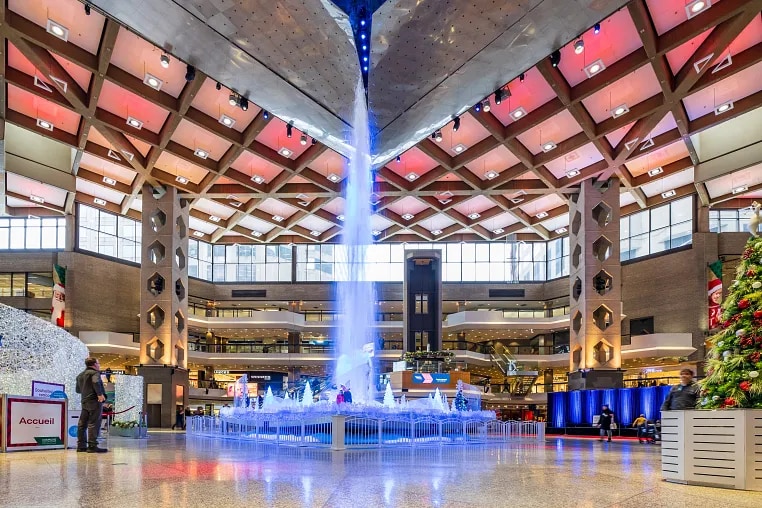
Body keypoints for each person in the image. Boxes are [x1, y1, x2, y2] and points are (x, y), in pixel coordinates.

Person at [75, 357, 108, 453]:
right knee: (94, 423)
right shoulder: (95, 373)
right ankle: (92, 446)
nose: (99, 365)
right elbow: (95, 382)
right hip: (94, 401)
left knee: (82, 424)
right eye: (98, 363)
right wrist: (99, 394)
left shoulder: (80, 375)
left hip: (84, 401)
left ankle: (81, 446)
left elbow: (77, 390)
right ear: (94, 364)